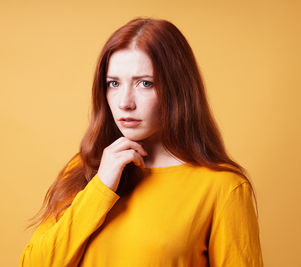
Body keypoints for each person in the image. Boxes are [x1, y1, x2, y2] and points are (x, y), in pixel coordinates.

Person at [19, 17, 264, 267]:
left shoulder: (223, 187)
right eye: (113, 83)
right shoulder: (87, 168)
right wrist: (101, 187)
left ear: (178, 89)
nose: (125, 102)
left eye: (145, 83)